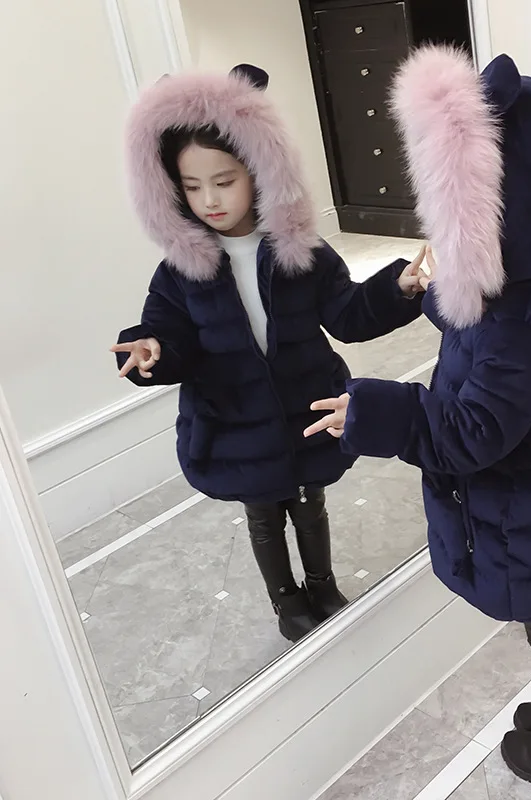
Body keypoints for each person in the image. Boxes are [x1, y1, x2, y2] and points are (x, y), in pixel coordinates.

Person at [305, 49, 531, 799]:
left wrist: (377, 412)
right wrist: (429, 286)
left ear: (506, 212)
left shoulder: (515, 327)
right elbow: (477, 331)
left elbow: (470, 434)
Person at [113, 64, 427, 644]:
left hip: (305, 408)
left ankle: (322, 585)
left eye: (224, 180)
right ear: (171, 188)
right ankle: (286, 600)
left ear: (258, 172)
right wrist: (153, 349)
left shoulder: (299, 251)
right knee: (262, 513)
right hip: (234, 421)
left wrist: (397, 288)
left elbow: (347, 313)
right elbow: (169, 334)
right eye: (192, 186)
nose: (210, 199)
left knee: (310, 503)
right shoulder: (179, 270)